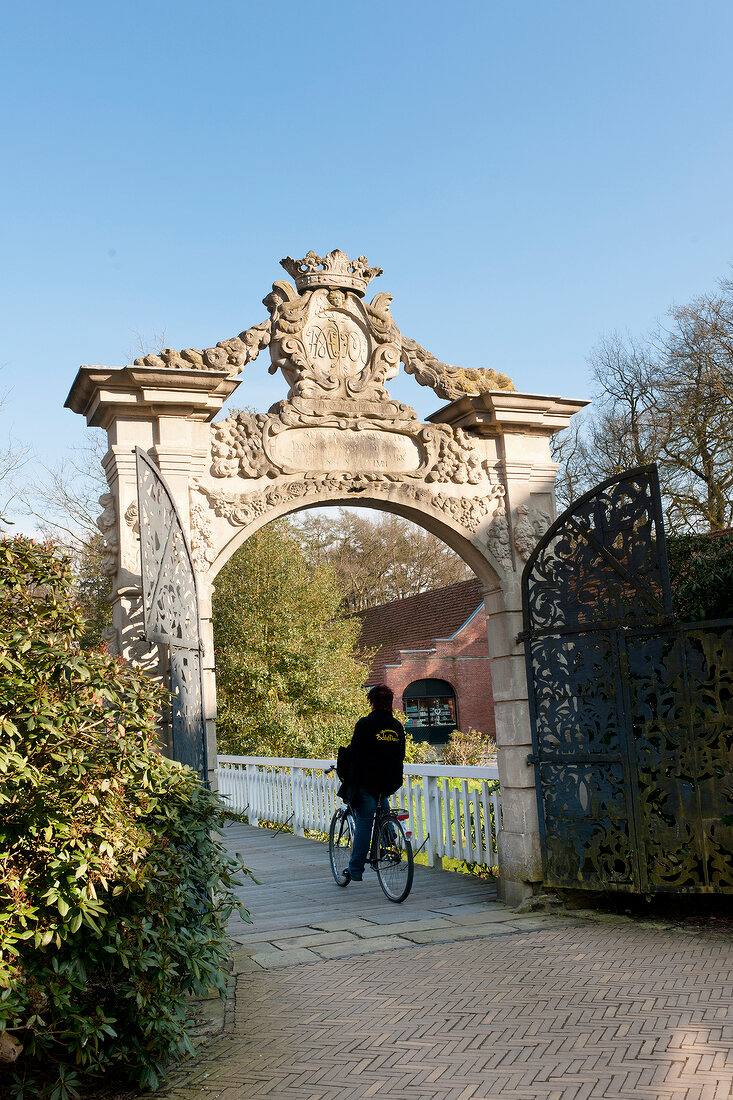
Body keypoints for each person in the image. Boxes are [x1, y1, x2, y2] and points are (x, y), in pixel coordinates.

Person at [343, 683, 405, 882]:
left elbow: (355, 753)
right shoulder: (397, 726)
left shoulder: (364, 724)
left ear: (372, 702)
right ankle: (388, 839)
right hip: (390, 781)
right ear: (390, 703)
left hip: (368, 782)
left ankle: (355, 870)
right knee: (383, 806)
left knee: (364, 825)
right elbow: (401, 754)